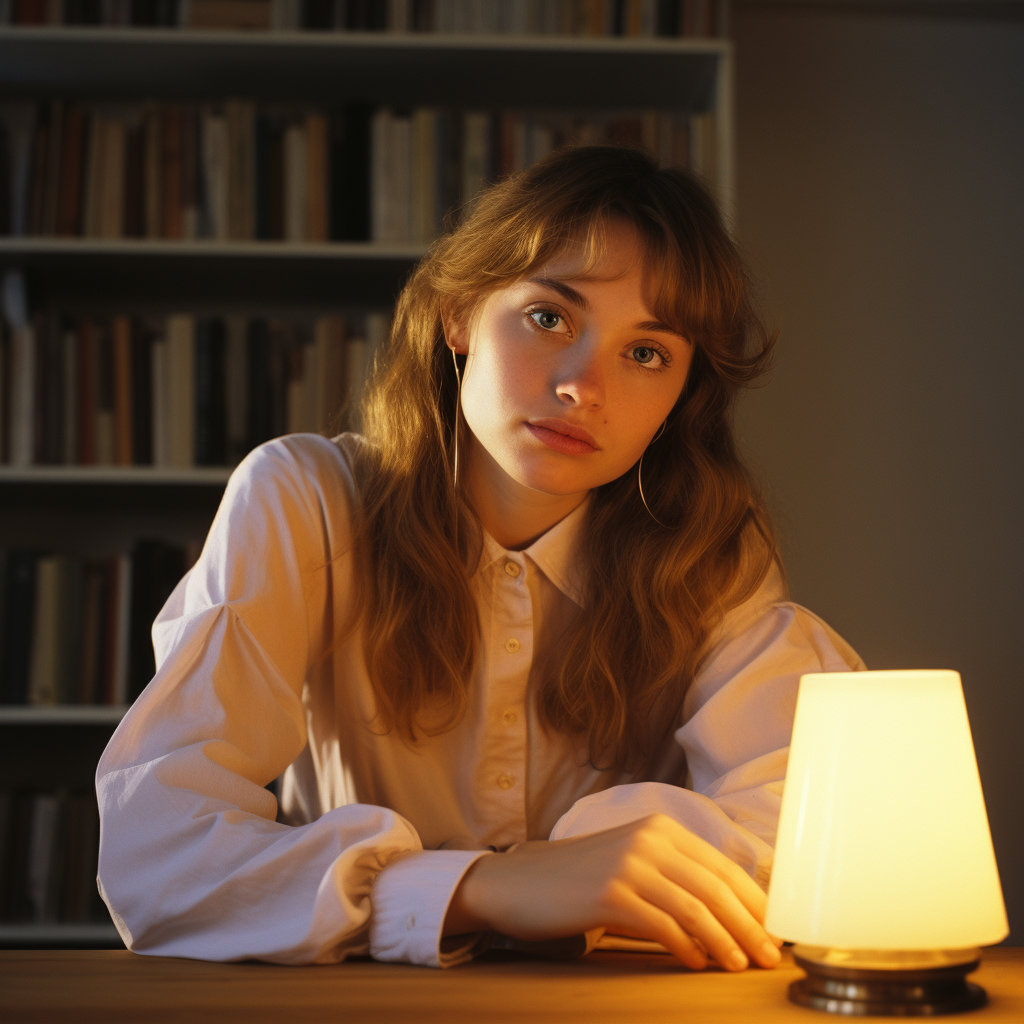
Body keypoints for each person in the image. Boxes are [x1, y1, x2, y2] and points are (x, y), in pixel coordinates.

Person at [95, 146, 863, 972]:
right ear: (458, 314)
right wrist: (480, 889)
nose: (582, 385)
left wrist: (614, 861)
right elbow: (156, 854)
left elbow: (836, 834)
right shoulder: (306, 500)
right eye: (550, 317)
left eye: (647, 353)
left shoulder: (707, 556)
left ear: (679, 399)